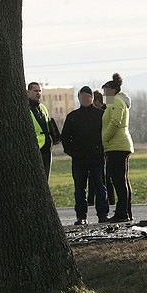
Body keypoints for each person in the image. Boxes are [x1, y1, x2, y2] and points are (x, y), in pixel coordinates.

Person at [61, 86, 109, 224]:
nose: (85, 99)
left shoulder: (101, 115)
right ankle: (81, 216)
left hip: (97, 158)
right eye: (82, 97)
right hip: (79, 159)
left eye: (87, 97)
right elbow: (65, 137)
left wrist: (103, 150)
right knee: (80, 188)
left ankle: (102, 214)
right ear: (79, 98)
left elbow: (107, 134)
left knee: (100, 187)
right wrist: (71, 152)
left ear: (92, 98)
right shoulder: (72, 116)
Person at [101, 73, 134, 222]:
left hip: (117, 146)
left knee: (119, 180)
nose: (103, 95)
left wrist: (104, 139)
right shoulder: (117, 102)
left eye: (105, 91)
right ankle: (126, 212)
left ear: (112, 90)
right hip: (119, 145)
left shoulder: (117, 102)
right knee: (122, 180)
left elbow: (114, 122)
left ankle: (122, 213)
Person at [87, 89, 115, 206]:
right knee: (104, 177)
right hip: (102, 148)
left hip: (102, 148)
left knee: (98, 177)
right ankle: (110, 200)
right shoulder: (108, 109)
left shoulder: (103, 113)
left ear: (96, 101)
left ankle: (92, 201)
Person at [28, 82, 54, 179]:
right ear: (28, 92)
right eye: (35, 91)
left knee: (45, 178)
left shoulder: (42, 107)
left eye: (39, 91)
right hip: (35, 149)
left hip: (47, 148)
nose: (38, 93)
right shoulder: (25, 108)